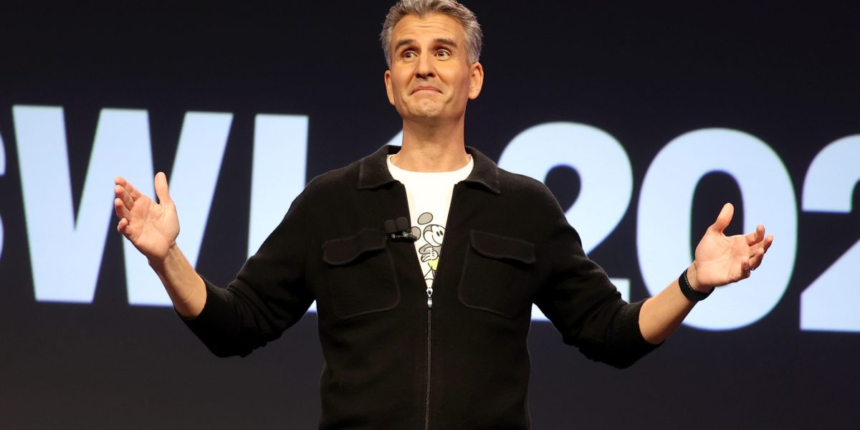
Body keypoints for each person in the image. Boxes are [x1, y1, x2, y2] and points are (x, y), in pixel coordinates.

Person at [113, 1, 774, 428]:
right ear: (389, 84)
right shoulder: (331, 201)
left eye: (442, 51)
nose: (423, 66)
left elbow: (612, 334)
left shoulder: (524, 207)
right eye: (407, 53)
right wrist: (166, 258)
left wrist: (693, 282)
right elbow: (236, 325)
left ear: (473, 78)